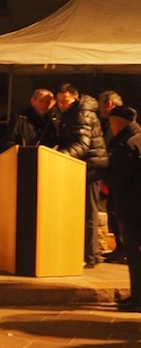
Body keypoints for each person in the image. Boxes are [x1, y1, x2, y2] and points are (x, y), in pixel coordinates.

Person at [39, 83, 108, 268]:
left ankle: (91, 256)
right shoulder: (67, 114)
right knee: (78, 212)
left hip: (90, 167)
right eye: (59, 101)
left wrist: (60, 156)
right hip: (77, 167)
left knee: (89, 212)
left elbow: (82, 144)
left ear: (75, 98)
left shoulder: (82, 113)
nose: (61, 104)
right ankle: (78, 252)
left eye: (65, 101)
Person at [104, 105, 141, 312]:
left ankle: (138, 299)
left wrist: (105, 178)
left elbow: (118, 178)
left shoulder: (126, 145)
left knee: (135, 255)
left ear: (117, 123)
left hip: (130, 206)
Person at [97, 90, 127, 264]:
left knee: (118, 213)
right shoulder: (110, 123)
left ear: (109, 104)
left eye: (101, 105)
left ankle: (123, 248)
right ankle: (120, 247)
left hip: (117, 176)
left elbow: (109, 148)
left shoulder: (115, 123)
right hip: (113, 176)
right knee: (113, 212)